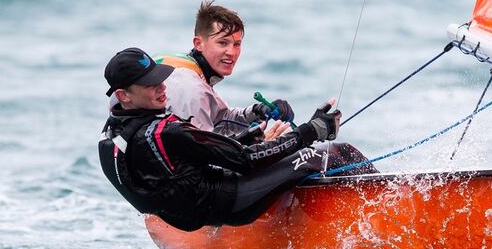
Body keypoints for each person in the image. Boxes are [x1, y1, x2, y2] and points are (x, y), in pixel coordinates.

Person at [98, 47, 372, 232]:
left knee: (275, 148)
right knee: (326, 153)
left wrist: (249, 139)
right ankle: (380, 215)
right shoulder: (167, 132)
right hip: (228, 204)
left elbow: (179, 167)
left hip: (182, 213)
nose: (162, 88)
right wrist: (312, 130)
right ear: (123, 95)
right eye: (150, 85)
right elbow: (245, 160)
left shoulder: (112, 133)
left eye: (159, 79)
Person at [155, 0, 294, 141]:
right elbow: (204, 154)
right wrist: (255, 145)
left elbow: (220, 119)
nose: (232, 52)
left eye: (237, 44)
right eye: (222, 43)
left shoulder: (183, 64)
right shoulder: (192, 89)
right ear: (198, 43)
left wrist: (259, 111)